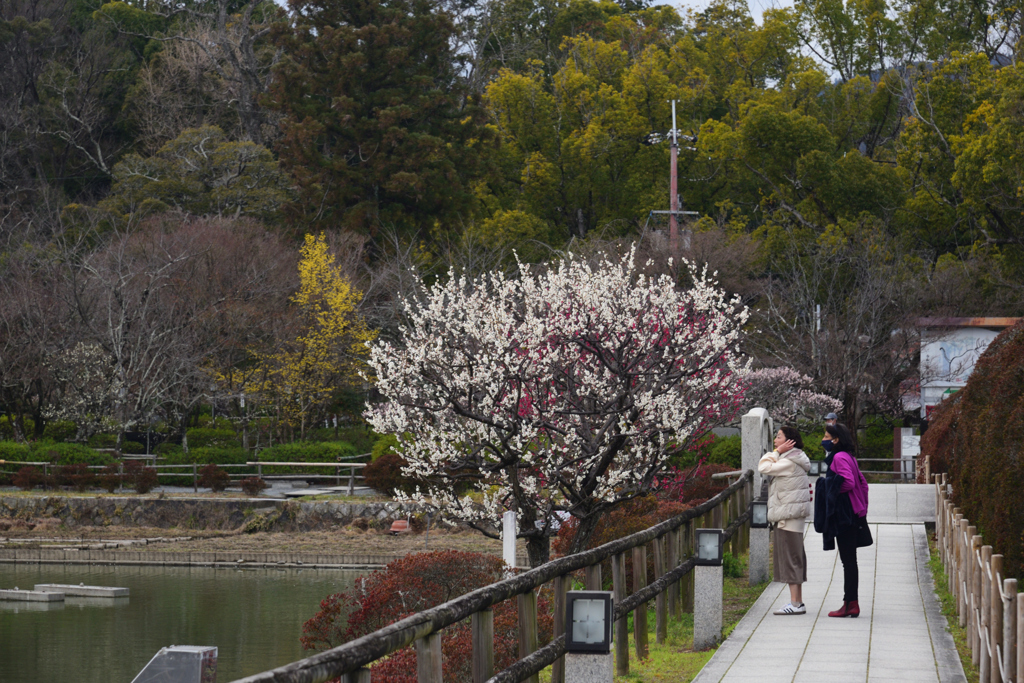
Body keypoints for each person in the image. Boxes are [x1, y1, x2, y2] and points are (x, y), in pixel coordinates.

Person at [818, 423, 870, 618]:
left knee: (848, 562)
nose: (823, 440)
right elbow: (862, 484)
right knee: (850, 561)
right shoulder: (850, 457)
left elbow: (847, 482)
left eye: (826, 436)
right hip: (855, 513)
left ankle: (851, 604)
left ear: (836, 439)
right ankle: (850, 603)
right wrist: (862, 507)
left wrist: (827, 490)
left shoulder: (838, 457)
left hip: (845, 515)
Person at [759, 426, 812, 615]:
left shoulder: (789, 461)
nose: (775, 440)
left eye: (779, 437)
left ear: (789, 441)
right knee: (794, 557)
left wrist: (775, 452)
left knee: (791, 558)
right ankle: (797, 602)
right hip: (790, 515)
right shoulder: (795, 458)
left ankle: (795, 604)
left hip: (787, 516)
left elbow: (763, 467)